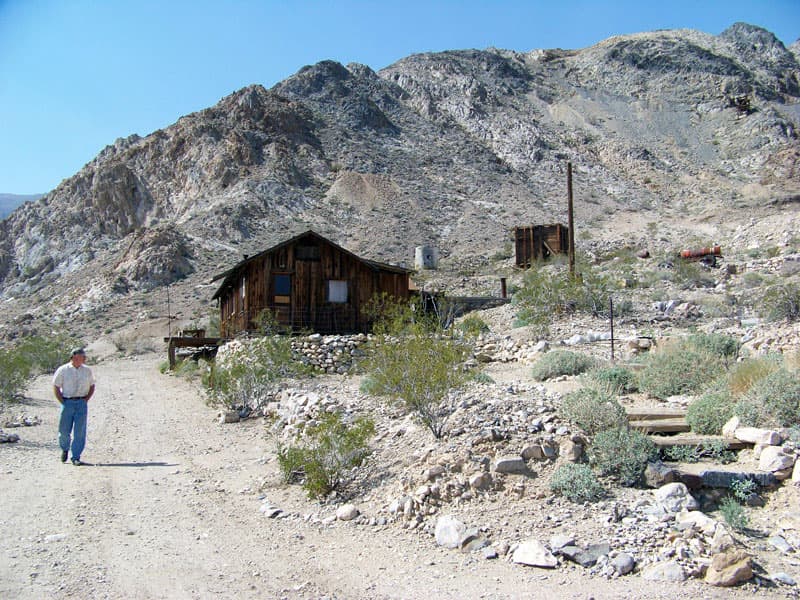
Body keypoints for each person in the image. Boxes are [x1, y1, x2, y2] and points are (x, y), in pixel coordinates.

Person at [53, 348, 95, 466]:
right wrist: (62, 401)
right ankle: (65, 448)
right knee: (64, 430)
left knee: (80, 431)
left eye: (82, 357)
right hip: (68, 402)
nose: (79, 360)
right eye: (76, 357)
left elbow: (92, 385)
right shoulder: (63, 370)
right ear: (72, 357)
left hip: (81, 402)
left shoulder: (87, 371)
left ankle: (76, 456)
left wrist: (86, 399)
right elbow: (56, 386)